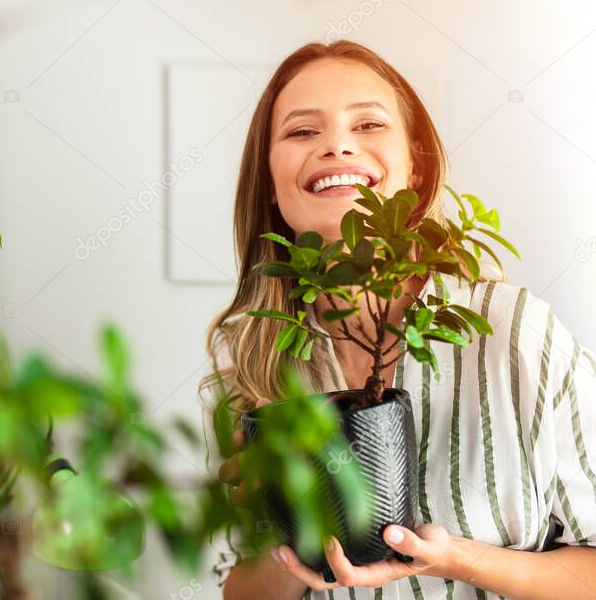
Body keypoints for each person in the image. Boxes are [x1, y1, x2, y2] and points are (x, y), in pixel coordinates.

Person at [201, 40, 596, 599]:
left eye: (367, 124)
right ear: (270, 179)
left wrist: (452, 559)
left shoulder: (514, 334)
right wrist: (280, 522)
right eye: (302, 132)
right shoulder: (250, 364)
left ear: (415, 167)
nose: (336, 145)